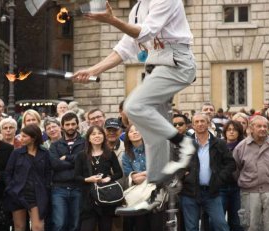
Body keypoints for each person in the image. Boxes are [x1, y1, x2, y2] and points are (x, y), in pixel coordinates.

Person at [72, 0, 196, 183]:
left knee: (133, 106)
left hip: (176, 62)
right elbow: (125, 48)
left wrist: (112, 20)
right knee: (153, 133)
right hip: (156, 65)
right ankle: (156, 184)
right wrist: (93, 70)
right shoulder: (136, 9)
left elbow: (146, 32)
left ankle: (183, 142)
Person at [179, 113, 236, 231]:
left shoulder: (219, 143)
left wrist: (219, 179)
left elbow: (230, 164)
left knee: (220, 225)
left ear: (208, 123)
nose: (200, 124)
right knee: (191, 228)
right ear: (192, 125)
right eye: (196, 122)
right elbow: (176, 163)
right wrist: (183, 174)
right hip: (189, 192)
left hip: (212, 192)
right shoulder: (186, 144)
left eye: (203, 121)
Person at [4, 124, 58, 231]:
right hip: (17, 194)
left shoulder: (44, 153)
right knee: (19, 227)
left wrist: (46, 188)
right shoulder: (16, 153)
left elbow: (48, 173)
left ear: (33, 138)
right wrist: (11, 188)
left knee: (38, 227)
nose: (21, 138)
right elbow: (8, 173)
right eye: (21, 135)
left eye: (25, 136)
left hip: (37, 194)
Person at [74, 125, 123, 231]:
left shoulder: (109, 154)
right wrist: (88, 179)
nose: (97, 136)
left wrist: (108, 178)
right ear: (88, 137)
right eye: (93, 134)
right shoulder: (82, 155)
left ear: (103, 136)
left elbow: (119, 173)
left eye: (99, 133)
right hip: (88, 197)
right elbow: (76, 177)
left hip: (106, 197)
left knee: (105, 229)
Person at [122, 124, 166, 231]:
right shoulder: (127, 154)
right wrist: (145, 174)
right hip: (138, 196)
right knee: (139, 227)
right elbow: (131, 177)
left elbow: (158, 169)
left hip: (155, 192)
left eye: (137, 130)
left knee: (156, 226)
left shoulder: (153, 148)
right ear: (127, 136)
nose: (134, 133)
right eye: (131, 131)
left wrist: (142, 174)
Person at [48, 112, 85, 231]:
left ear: (77, 124)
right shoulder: (55, 145)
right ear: (62, 126)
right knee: (59, 223)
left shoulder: (84, 143)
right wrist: (74, 161)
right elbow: (54, 164)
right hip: (59, 188)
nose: (70, 127)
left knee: (75, 224)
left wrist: (67, 159)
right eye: (67, 124)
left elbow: (83, 161)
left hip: (78, 187)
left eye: (73, 124)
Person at [207, 120, 244, 231]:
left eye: (235, 130)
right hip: (220, 187)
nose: (231, 132)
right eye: (229, 129)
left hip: (237, 187)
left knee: (236, 221)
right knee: (216, 220)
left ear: (239, 132)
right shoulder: (219, 145)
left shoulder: (243, 146)